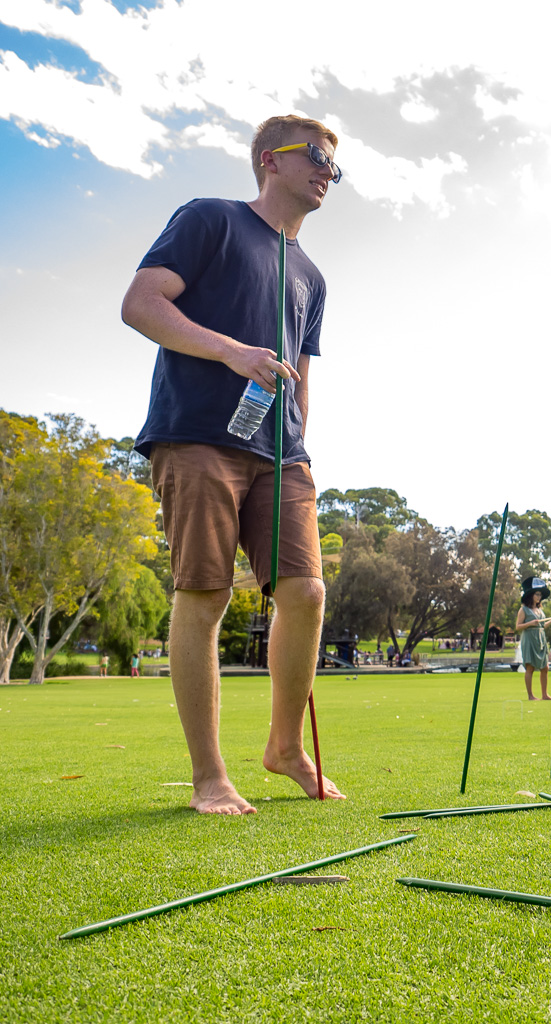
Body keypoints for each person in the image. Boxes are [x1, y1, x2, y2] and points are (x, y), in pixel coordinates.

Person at [121, 114, 345, 815]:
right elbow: (140, 304)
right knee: (207, 595)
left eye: (335, 166)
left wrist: (305, 445)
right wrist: (229, 351)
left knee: (306, 593)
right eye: (314, 156)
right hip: (196, 435)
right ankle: (209, 777)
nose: (326, 172)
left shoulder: (312, 275)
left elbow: (302, 372)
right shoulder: (210, 219)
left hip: (281, 451)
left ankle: (283, 749)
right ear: (267, 160)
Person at [515, 577, 551, 701]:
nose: (539, 597)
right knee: (530, 667)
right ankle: (530, 695)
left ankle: (544, 694)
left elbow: (542, 626)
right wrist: (530, 623)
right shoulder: (524, 610)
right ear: (531, 595)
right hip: (529, 639)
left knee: (545, 667)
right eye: (537, 594)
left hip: (541, 639)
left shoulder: (539, 610)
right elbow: (518, 627)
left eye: (540, 595)